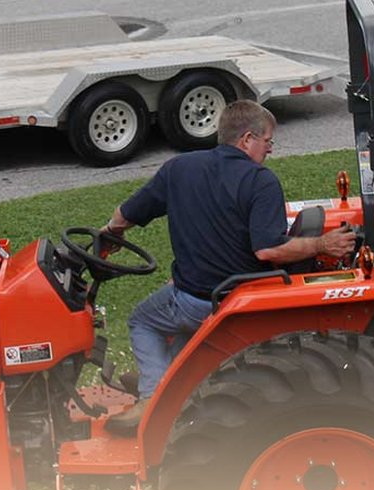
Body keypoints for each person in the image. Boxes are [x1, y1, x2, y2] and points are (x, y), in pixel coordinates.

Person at [101, 100, 355, 435]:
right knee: (157, 314)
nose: (270, 151)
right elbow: (268, 250)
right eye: (268, 142)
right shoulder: (260, 181)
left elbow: (125, 215)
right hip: (235, 297)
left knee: (143, 319)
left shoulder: (179, 169)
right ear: (247, 139)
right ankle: (161, 388)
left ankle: (156, 393)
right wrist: (322, 244)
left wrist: (110, 233)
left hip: (200, 297)